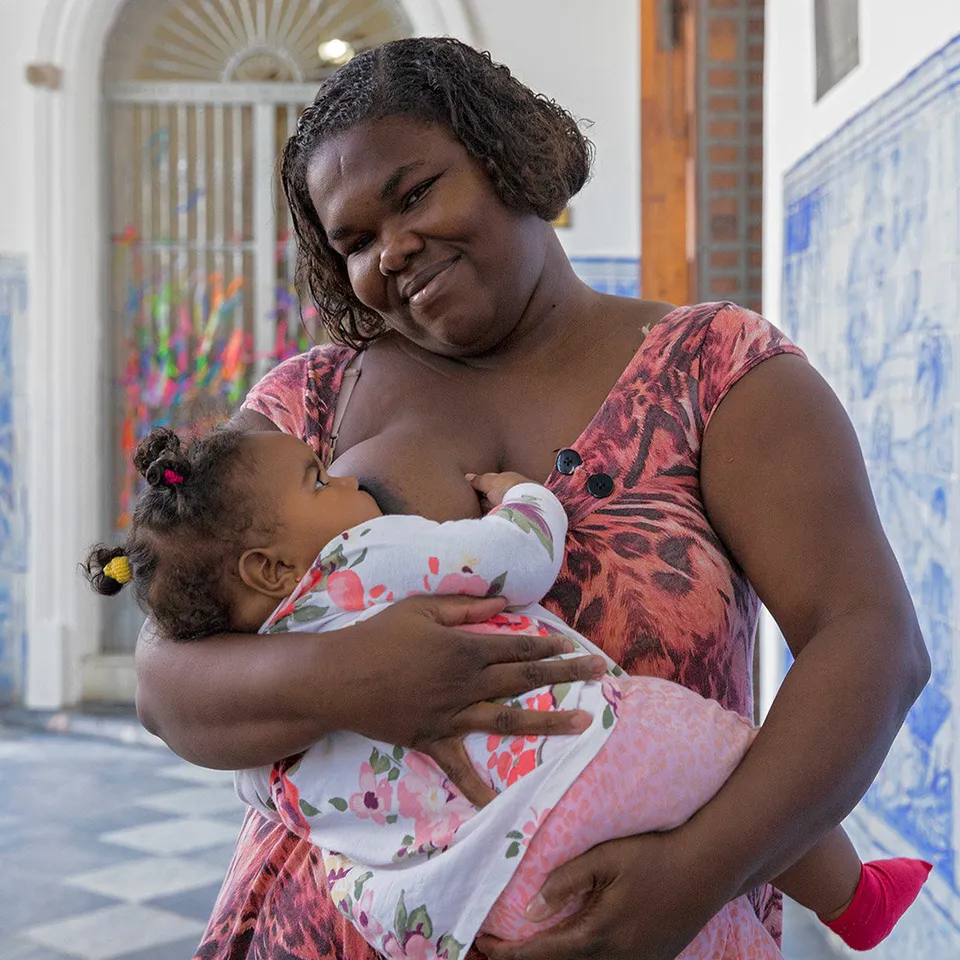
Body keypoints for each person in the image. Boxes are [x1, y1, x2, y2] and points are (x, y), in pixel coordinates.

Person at [133, 37, 931, 960]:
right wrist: (354, 678)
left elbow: (870, 639)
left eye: (416, 193)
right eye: (354, 240)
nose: (392, 249)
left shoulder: (716, 373)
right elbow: (165, 683)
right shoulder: (304, 410)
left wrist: (689, 881)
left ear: (509, 158)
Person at [89, 426, 930, 958]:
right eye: (320, 481)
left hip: (476, 906)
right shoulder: (363, 558)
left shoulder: (256, 703)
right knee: (736, 758)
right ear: (270, 567)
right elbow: (519, 561)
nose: (346, 484)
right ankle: (855, 900)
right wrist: (524, 498)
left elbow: (249, 775)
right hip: (584, 772)